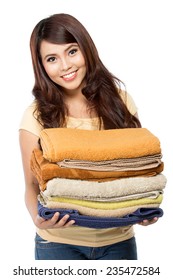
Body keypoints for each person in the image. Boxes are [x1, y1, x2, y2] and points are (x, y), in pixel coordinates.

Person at [19, 13, 158, 260]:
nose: (65, 65)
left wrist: (144, 208)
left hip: (119, 242)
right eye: (52, 58)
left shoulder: (120, 102)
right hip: (58, 245)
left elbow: (137, 169)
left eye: (72, 51)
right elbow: (31, 185)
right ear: (42, 66)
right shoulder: (36, 115)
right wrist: (38, 219)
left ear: (86, 48)